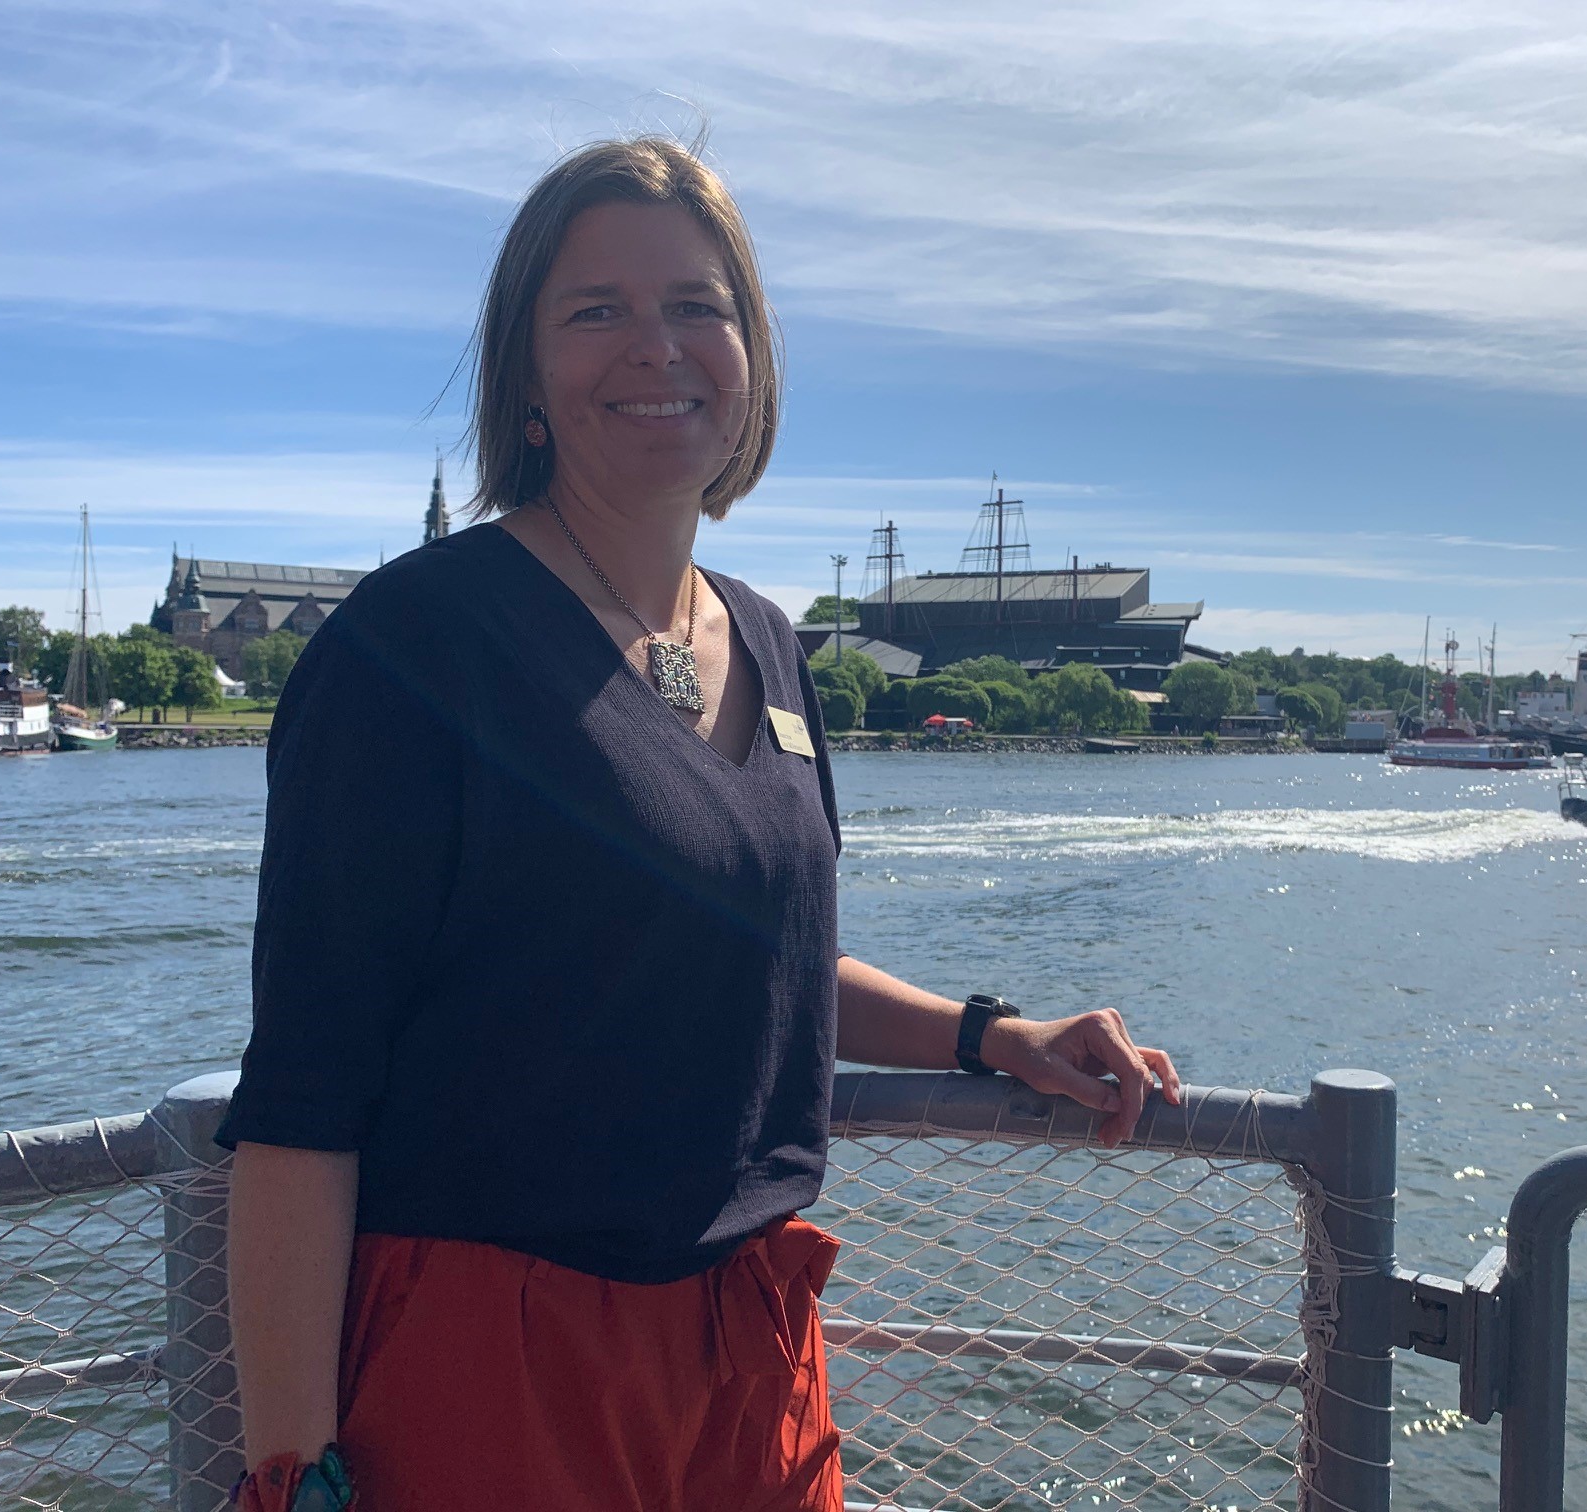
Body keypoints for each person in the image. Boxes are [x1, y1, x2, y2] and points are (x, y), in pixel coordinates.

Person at [216, 135, 1182, 1512]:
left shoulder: (775, 649)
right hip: (493, 1361)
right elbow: (302, 1103)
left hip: (751, 1348)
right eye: (594, 310)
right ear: (527, 373)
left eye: (696, 306)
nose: (654, 348)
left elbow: (754, 957)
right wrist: (295, 1478)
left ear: (751, 357)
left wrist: (990, 1036)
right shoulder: (416, 648)